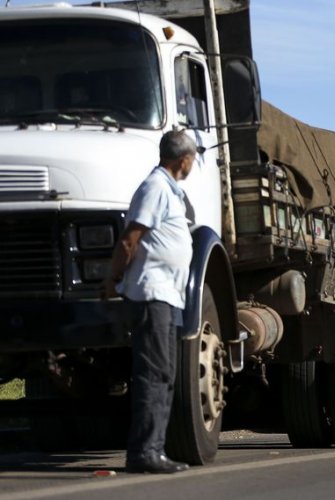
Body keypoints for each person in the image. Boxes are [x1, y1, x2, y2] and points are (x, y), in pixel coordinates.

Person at [103, 130, 197, 474]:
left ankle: (153, 448)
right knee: (154, 374)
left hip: (167, 296)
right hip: (151, 293)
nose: (193, 164)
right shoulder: (155, 187)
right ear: (183, 160)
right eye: (192, 158)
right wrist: (113, 280)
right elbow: (130, 240)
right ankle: (144, 452)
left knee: (164, 374)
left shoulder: (170, 190)